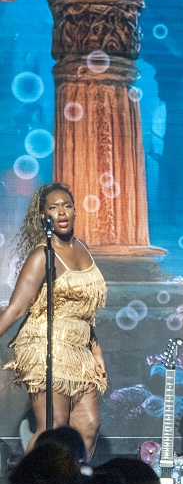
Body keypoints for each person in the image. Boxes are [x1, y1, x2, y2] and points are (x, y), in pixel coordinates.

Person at [0, 183, 106, 457]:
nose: (61, 212)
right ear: (43, 215)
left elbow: (85, 310)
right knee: (53, 427)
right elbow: (16, 309)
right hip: (47, 343)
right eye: (54, 207)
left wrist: (96, 351)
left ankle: (73, 480)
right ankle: (31, 481)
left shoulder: (82, 248)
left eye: (67, 206)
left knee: (88, 426)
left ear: (75, 211)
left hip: (80, 348)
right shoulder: (42, 255)